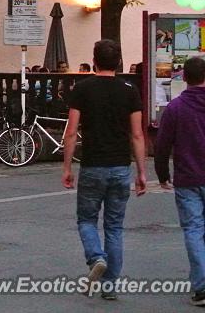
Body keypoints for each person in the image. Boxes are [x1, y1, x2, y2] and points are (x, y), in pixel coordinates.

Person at [62, 39, 146, 300]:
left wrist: (67, 167)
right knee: (115, 227)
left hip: (92, 165)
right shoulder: (130, 90)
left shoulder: (82, 89)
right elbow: (137, 135)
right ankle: (110, 286)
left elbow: (72, 132)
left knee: (86, 220)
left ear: (94, 60)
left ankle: (96, 257)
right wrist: (142, 171)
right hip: (121, 165)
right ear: (119, 62)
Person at [154, 57, 205, 306]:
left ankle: (202, 285)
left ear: (184, 78)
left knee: (194, 230)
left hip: (188, 177)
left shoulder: (175, 107)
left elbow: (162, 146)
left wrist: (163, 175)